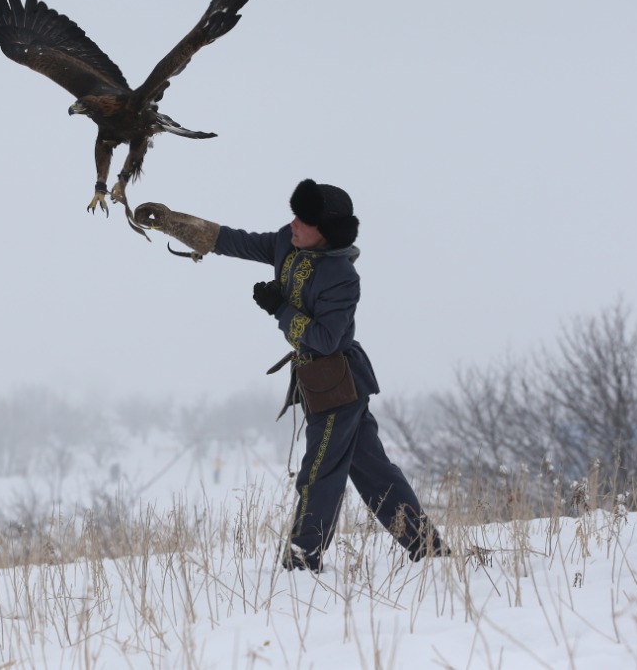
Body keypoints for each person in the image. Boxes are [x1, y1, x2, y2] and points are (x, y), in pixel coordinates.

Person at [134, 180, 448, 572]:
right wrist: (172, 222)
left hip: (337, 383)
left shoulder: (342, 277)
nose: (294, 223)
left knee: (318, 472)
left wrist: (280, 309)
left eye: (305, 219)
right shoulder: (288, 241)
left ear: (327, 231)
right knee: (373, 471)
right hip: (320, 381)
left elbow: (324, 339)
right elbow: (236, 241)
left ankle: (303, 556)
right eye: (295, 214)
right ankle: (428, 547)